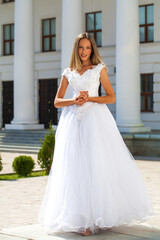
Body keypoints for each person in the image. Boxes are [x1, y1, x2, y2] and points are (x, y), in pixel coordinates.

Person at [38, 32, 154, 236]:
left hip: (96, 122)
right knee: (76, 168)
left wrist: (90, 98)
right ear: (76, 49)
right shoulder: (68, 72)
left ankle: (101, 216)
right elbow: (57, 101)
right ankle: (83, 221)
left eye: (88, 48)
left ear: (93, 49)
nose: (84, 52)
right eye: (81, 47)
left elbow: (111, 97)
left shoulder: (99, 69)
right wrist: (75, 100)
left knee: (97, 166)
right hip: (74, 123)